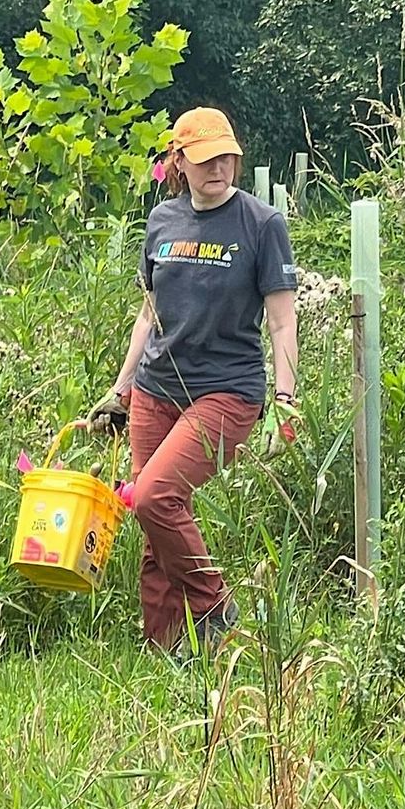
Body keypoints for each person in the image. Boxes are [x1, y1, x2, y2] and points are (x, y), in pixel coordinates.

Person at [90, 106, 299, 652]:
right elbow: (147, 313)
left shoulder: (261, 225)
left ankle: (213, 605)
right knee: (152, 518)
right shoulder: (162, 221)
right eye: (206, 159)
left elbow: (282, 319)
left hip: (228, 390)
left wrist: (285, 398)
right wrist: (121, 387)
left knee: (156, 495)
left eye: (227, 156)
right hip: (155, 389)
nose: (220, 168)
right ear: (179, 162)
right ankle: (166, 648)